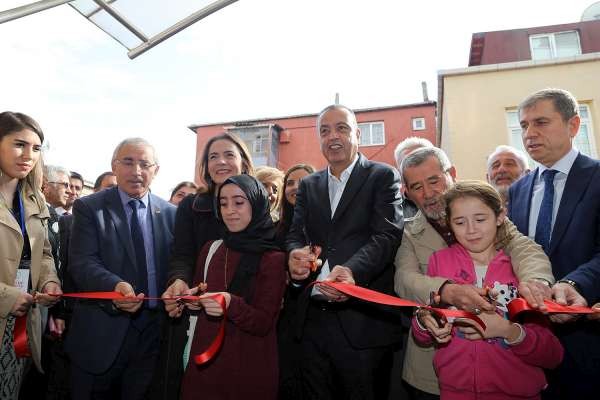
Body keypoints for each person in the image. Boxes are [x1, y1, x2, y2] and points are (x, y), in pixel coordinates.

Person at [394, 147, 554, 400]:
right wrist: (447, 291)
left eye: (434, 180)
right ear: (407, 192)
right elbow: (405, 279)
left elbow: (525, 249)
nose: (428, 193)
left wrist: (536, 282)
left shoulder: (484, 212)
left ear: (452, 174)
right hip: (435, 368)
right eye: (417, 186)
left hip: (506, 372)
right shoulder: (408, 233)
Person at [286, 104, 404, 399]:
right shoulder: (309, 185)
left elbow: (388, 234)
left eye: (342, 128)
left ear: (358, 134)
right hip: (312, 324)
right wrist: (294, 257)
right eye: (324, 131)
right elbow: (295, 234)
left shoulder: (382, 176)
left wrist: (352, 271)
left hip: (362, 324)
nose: (332, 136)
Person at [65, 137, 176, 400]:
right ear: (114, 166)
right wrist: (114, 286)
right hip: (101, 332)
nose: (136, 171)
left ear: (156, 171)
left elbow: (176, 264)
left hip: (152, 336)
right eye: (128, 162)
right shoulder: (89, 207)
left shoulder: (171, 213)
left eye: (144, 164)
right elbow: (82, 262)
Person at [508, 88, 600, 399]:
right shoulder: (518, 190)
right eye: (523, 125)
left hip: (589, 338)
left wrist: (575, 283)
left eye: (541, 122)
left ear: (573, 126)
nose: (529, 134)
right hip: (532, 342)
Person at [154, 132, 254, 400]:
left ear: (243, 161)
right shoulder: (191, 205)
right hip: (195, 313)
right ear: (205, 166)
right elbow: (181, 254)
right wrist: (178, 280)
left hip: (243, 313)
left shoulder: (258, 201)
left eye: (229, 155)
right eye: (213, 156)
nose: (221, 161)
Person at [179, 175, 286, 399]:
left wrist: (230, 303)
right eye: (223, 203)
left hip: (248, 368)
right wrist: (191, 301)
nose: (229, 210)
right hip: (204, 368)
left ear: (257, 204)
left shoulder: (273, 258)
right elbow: (199, 294)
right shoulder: (211, 249)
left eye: (238, 202)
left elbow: (263, 322)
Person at [0, 111, 61, 399]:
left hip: (22, 322)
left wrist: (49, 281)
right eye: (19, 144)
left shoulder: (34, 199)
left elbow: (44, 252)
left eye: (36, 148)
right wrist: (6, 296)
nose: (28, 155)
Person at [274, 163, 314, 399]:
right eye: (290, 182)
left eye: (304, 182)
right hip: (283, 323)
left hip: (316, 322)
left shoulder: (324, 229)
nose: (296, 187)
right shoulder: (273, 230)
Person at [394, 137, 434, 219]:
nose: (417, 169)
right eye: (408, 163)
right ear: (400, 174)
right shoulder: (395, 215)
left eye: (422, 160)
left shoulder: (461, 201)